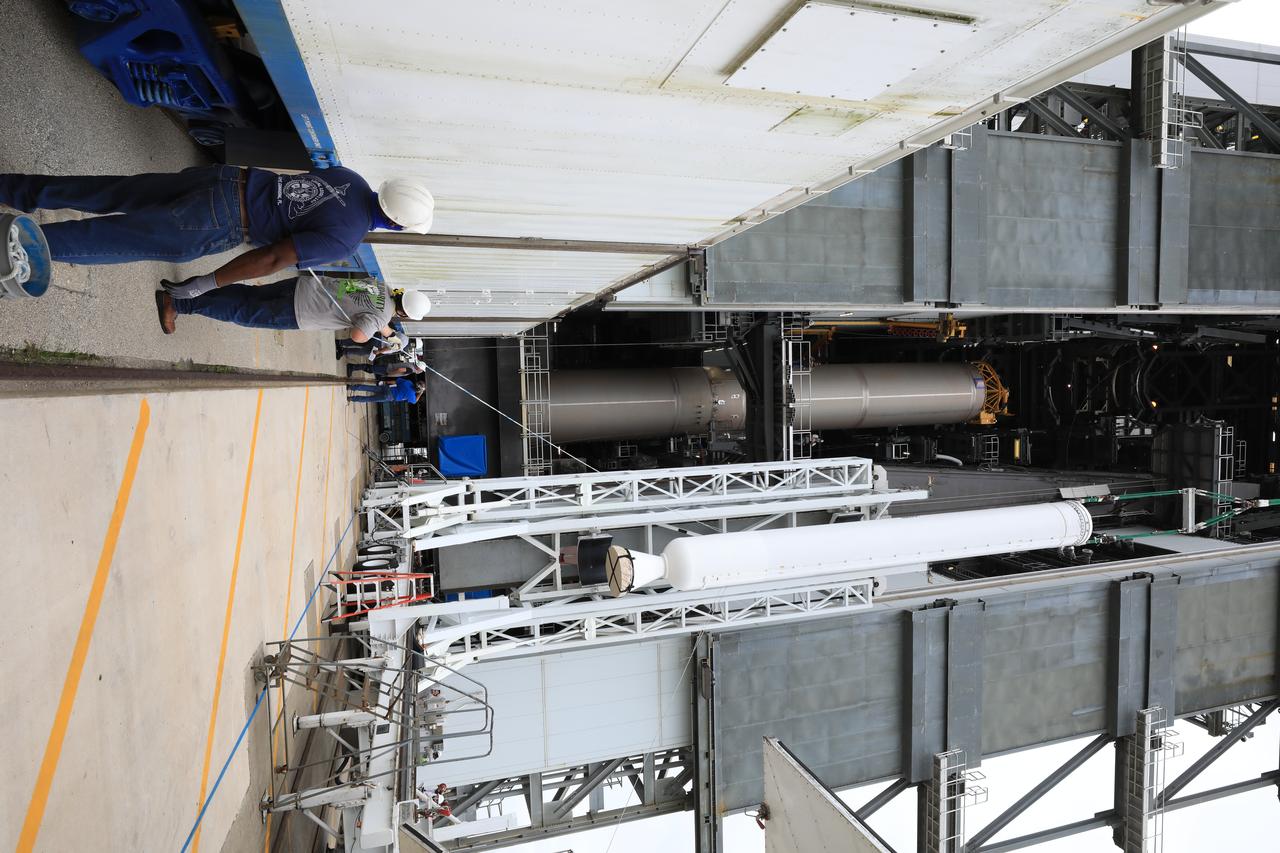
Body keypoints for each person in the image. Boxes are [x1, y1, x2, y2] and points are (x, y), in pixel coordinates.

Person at [0, 165, 434, 297]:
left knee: (108, 190)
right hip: (224, 220)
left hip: (226, 179)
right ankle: (10, 251)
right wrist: (207, 283)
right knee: (112, 240)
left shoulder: (352, 177)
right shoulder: (346, 238)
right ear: (397, 224)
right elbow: (271, 258)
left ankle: (14, 188)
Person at [154, 273, 432, 348]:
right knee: (242, 312)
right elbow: (359, 335)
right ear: (405, 315)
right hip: (301, 311)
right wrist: (384, 333)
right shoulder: (381, 318)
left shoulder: (381, 287)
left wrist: (385, 329)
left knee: (248, 295)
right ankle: (178, 304)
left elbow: (357, 300)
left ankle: (191, 291)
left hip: (304, 286)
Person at [348, 375, 425, 405]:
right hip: (390, 397)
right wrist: (421, 393)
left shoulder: (408, 382)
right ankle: (351, 398)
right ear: (418, 390)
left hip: (388, 388)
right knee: (370, 399)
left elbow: (395, 381)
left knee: (370, 388)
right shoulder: (411, 396)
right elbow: (415, 401)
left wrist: (385, 382)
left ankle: (351, 387)